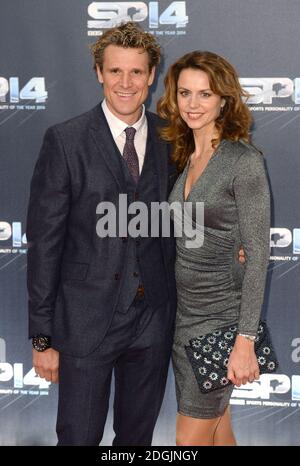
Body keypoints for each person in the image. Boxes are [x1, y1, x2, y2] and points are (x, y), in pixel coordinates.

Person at [26, 22, 178, 446]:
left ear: (151, 76)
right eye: (115, 72)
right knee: (78, 437)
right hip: (84, 323)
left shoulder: (172, 139)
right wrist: (42, 336)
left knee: (136, 442)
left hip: (153, 321)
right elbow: (44, 245)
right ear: (98, 73)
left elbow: (190, 217)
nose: (125, 83)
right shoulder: (65, 141)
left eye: (136, 72)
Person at [157, 51, 270, 446]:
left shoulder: (244, 161)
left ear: (223, 100)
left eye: (204, 95)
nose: (192, 104)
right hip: (183, 317)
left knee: (189, 441)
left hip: (220, 321)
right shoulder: (184, 157)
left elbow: (257, 257)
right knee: (219, 431)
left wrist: (245, 341)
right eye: (185, 93)